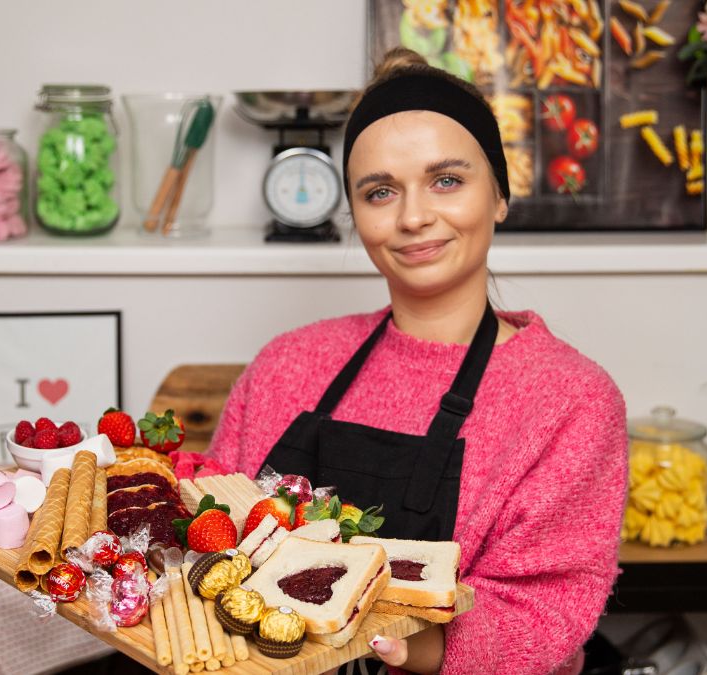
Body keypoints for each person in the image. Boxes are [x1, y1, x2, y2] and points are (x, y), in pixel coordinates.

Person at [206, 47, 628, 675]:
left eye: (447, 180)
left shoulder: (571, 400)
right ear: (355, 214)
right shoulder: (287, 365)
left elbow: (544, 606)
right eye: (380, 192)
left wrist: (411, 646)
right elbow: (213, 541)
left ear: (500, 195)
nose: (413, 217)